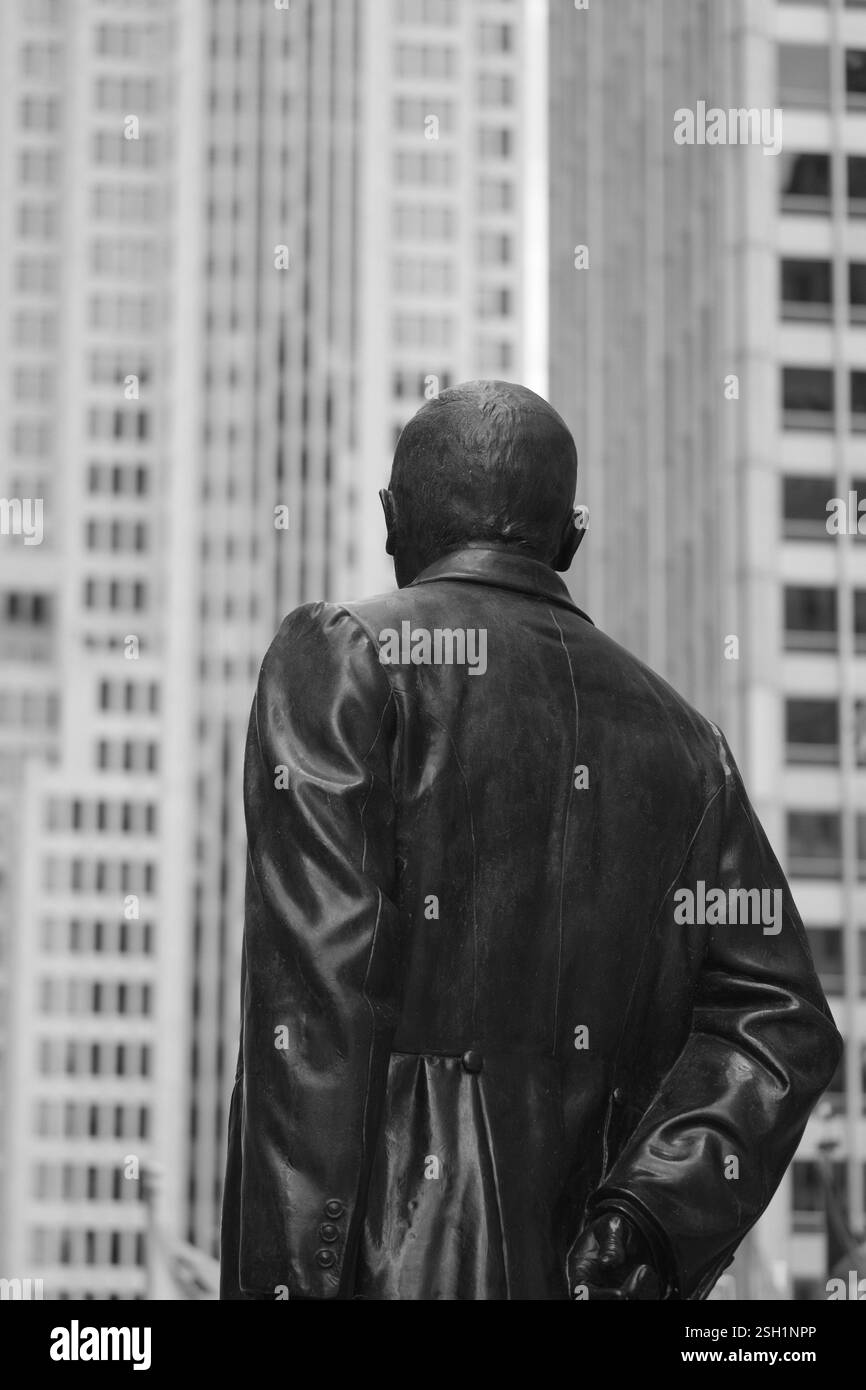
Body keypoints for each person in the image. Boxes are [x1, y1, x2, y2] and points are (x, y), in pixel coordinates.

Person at [220, 380, 841, 1301]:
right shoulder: (685, 744)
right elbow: (780, 1022)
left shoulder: (344, 660)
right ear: (571, 539)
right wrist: (646, 1217)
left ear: (392, 520)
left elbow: (313, 1020)